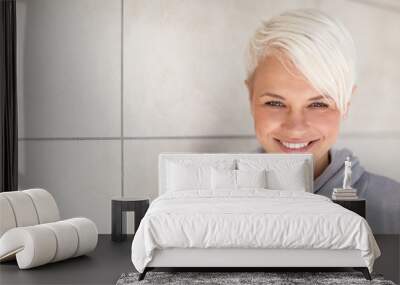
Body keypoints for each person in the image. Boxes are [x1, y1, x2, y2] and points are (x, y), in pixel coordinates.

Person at [244, 9, 400, 234]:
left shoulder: (394, 208)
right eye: (275, 103)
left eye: (318, 104)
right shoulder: (209, 207)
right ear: (250, 96)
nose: (296, 128)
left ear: (346, 103)